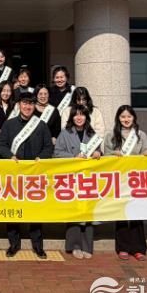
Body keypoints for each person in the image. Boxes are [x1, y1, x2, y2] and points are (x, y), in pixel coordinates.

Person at [0, 92, 52, 259]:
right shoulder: (9, 124)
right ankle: (14, 244)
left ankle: (37, 245)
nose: (27, 106)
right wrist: (9, 156)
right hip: (14, 175)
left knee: (35, 211)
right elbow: (2, 144)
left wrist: (41, 157)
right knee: (13, 210)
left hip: (34, 176)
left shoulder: (41, 125)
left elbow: (48, 147)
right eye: (24, 103)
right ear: (19, 105)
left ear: (34, 106)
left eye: (31, 104)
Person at [54, 105, 103, 260]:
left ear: (86, 117)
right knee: (74, 212)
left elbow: (99, 151)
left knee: (88, 212)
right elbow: (57, 153)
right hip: (72, 178)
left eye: (82, 115)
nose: (79, 117)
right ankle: (74, 245)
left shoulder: (92, 133)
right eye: (76, 115)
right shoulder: (65, 133)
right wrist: (73, 157)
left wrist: (98, 153)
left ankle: (87, 246)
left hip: (88, 178)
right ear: (72, 117)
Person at [104, 105, 147, 261]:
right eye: (123, 117)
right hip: (119, 179)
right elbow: (105, 156)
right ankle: (123, 247)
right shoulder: (111, 135)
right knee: (122, 213)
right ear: (118, 118)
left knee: (137, 214)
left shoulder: (141, 135)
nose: (126, 119)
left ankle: (138, 248)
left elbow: (146, 151)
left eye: (129, 116)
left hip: (137, 179)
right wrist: (113, 154)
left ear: (134, 118)